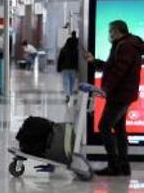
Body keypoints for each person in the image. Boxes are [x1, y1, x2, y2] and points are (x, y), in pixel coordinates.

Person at [86, 20, 144, 176]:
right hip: (123, 94)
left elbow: (119, 71)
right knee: (119, 129)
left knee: (104, 126)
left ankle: (114, 165)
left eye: (111, 31)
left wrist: (105, 89)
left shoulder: (125, 46)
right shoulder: (125, 44)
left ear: (118, 31)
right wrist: (94, 61)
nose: (109, 35)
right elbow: (112, 67)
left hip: (120, 95)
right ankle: (123, 165)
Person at [57, 31, 80, 103]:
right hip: (73, 68)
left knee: (66, 82)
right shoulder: (76, 50)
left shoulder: (63, 49)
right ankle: (71, 94)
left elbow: (60, 59)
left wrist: (58, 68)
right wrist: (77, 68)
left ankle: (68, 95)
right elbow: (77, 60)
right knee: (72, 82)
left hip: (65, 68)